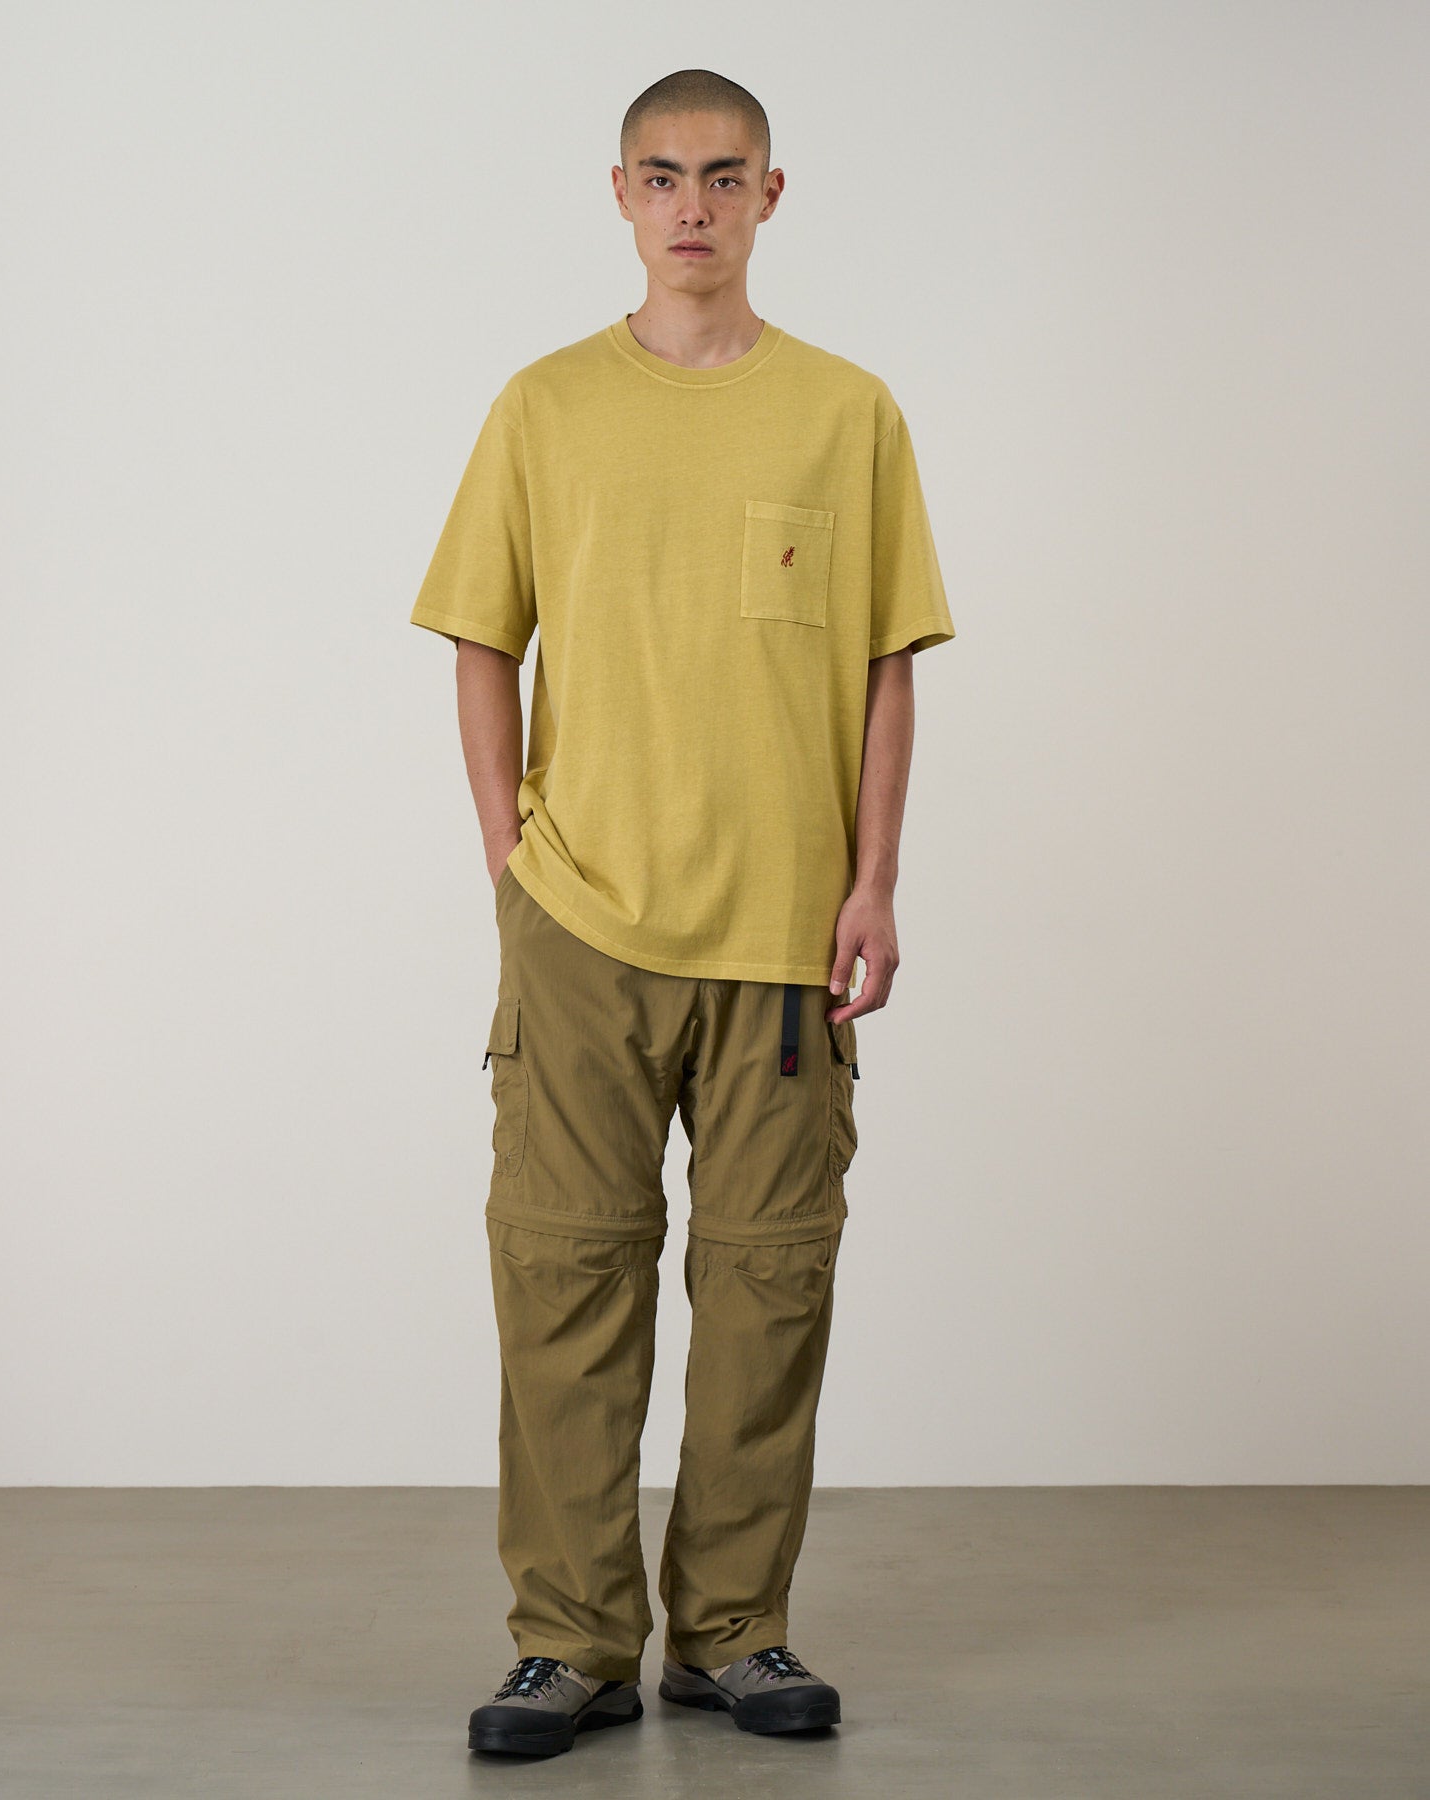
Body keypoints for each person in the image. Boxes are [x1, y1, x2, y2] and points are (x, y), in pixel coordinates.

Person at [409, 68, 956, 1760]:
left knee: (769, 1288)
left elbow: (886, 662)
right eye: (664, 176)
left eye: (725, 176)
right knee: (565, 1277)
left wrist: (874, 880)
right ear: (622, 195)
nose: (694, 206)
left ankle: (733, 1632)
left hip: (786, 940)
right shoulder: (546, 405)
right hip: (582, 922)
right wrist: (510, 856)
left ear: (771, 195)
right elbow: (480, 635)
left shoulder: (848, 412)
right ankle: (569, 1640)